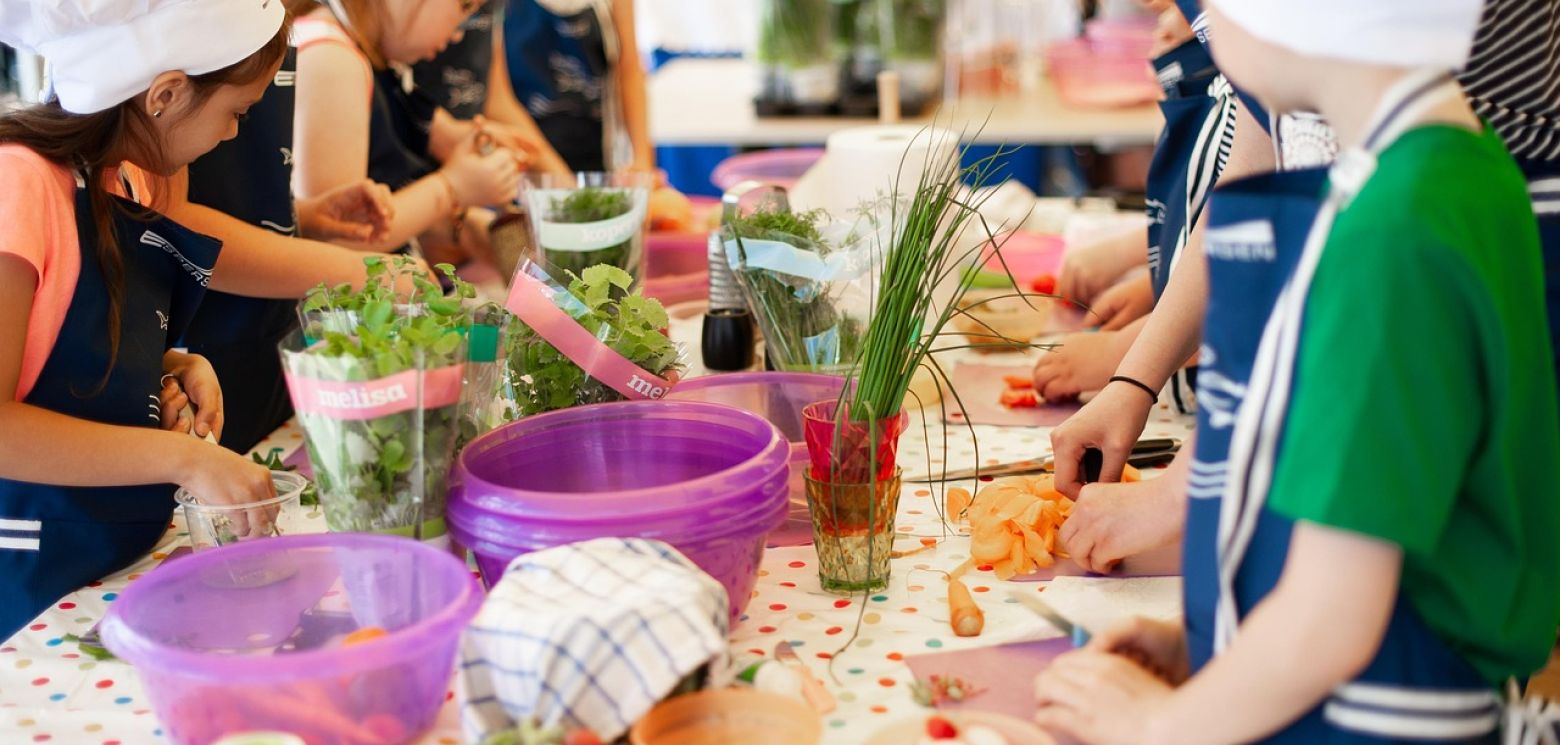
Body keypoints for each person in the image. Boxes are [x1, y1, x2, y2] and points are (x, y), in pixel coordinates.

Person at [1033, 1, 1560, 742]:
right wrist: (1215, 654)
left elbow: (1331, 620)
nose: (1207, 26)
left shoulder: (1394, 235)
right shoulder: (1457, 171)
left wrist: (1156, 725)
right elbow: (1410, 552)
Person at [0, 0, 290, 637]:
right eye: (235, 113)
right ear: (166, 94)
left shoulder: (130, 183)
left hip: (115, 566)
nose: (236, 134)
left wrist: (172, 363)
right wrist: (183, 460)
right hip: (27, 585)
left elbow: (59, 348)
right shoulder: (20, 185)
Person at [1032, 0, 1233, 408]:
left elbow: (1257, 289)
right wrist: (1156, 285)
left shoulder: (1253, 99)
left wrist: (1123, 354)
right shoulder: (1238, 85)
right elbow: (1215, 239)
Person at [292, 0, 526, 254]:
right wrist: (452, 188)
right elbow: (338, 237)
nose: (459, 33)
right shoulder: (333, 60)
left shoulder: (366, 55)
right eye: (464, 7)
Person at [500, 0, 655, 173]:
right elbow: (499, 98)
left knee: (669, 201)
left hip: (599, 149)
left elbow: (630, 69)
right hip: (527, 156)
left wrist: (642, 161)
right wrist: (559, 178)